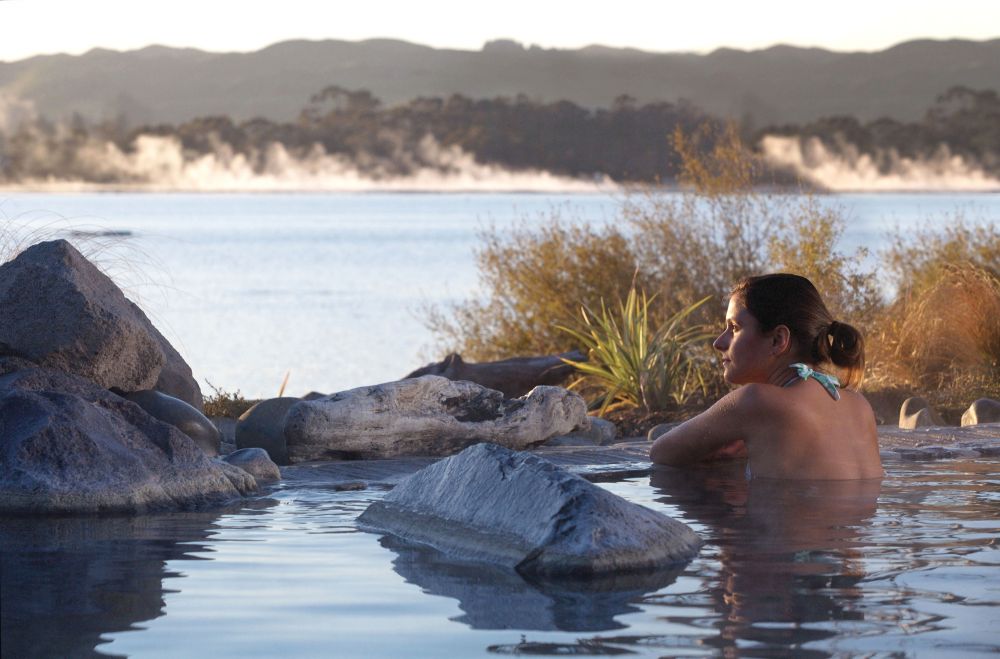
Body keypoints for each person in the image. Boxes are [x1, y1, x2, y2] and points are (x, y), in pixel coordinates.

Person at [649, 273, 882, 480]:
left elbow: (661, 453)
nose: (719, 343)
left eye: (734, 328)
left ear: (778, 340)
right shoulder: (860, 405)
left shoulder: (756, 400)